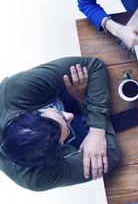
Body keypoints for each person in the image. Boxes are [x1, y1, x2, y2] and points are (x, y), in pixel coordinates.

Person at [0, 57, 119, 191]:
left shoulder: (14, 90)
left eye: (58, 113)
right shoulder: (35, 178)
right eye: (66, 127)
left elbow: (93, 66)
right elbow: (111, 156)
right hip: (84, 126)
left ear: (30, 113)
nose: (70, 116)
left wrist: (97, 130)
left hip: (68, 92)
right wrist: (83, 101)